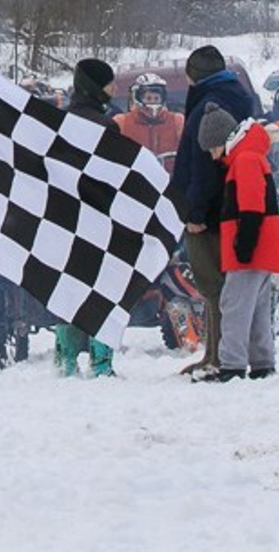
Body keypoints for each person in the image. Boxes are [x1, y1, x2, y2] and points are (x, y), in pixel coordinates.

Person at [169, 45, 255, 379]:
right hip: (226, 206)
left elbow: (205, 166)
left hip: (209, 212)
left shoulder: (209, 105)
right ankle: (216, 353)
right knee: (220, 288)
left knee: (213, 286)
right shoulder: (235, 97)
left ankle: (220, 356)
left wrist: (195, 212)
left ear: (194, 75)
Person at [197, 108, 279, 381]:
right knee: (257, 309)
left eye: (213, 149)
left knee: (234, 306)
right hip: (265, 248)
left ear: (224, 140)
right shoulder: (252, 155)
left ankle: (232, 365)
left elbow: (251, 207)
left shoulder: (244, 160)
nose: (214, 156)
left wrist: (244, 244)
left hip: (251, 248)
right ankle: (262, 363)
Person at [54, 58, 121, 377]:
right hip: (99, 217)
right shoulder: (106, 126)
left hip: (62, 217)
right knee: (103, 289)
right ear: (96, 86)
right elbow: (116, 175)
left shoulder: (57, 121)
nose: (114, 88)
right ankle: (101, 361)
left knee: (66, 288)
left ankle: (65, 360)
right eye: (109, 83)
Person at [113, 72, 184, 171]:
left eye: (156, 98)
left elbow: (188, 150)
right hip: (135, 176)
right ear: (138, 98)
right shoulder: (122, 122)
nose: (153, 102)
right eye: (148, 98)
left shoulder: (177, 121)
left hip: (170, 176)